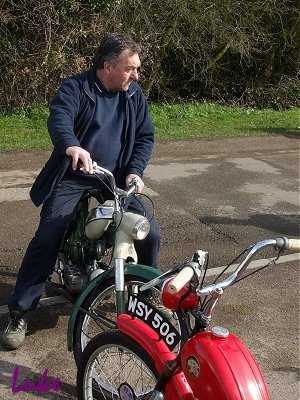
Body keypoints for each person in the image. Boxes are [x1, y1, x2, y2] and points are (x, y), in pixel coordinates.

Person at [2, 33, 160, 350]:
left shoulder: (134, 95)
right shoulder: (76, 87)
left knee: (147, 232)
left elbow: (145, 137)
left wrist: (134, 171)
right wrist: (72, 146)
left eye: (137, 69)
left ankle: (146, 294)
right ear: (107, 65)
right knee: (49, 235)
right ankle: (20, 311)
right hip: (74, 174)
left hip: (112, 178)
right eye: (131, 68)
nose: (136, 75)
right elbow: (60, 118)